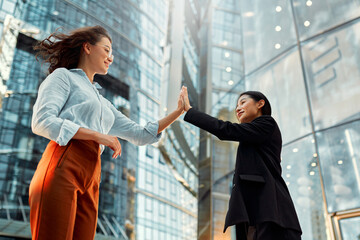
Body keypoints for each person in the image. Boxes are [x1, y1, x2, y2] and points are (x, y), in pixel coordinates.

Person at [29, 25, 185, 240]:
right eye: (106, 49)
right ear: (88, 48)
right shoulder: (63, 77)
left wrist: (178, 112)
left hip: (92, 174)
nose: (110, 57)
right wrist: (97, 135)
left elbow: (140, 135)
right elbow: (41, 122)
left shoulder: (103, 103)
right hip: (63, 162)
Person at [180, 87, 302, 239]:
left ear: (260, 104)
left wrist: (190, 111)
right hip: (256, 213)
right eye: (237, 106)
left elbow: (226, 130)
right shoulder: (253, 136)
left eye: (243, 102)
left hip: (270, 210)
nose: (238, 108)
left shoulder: (267, 123)